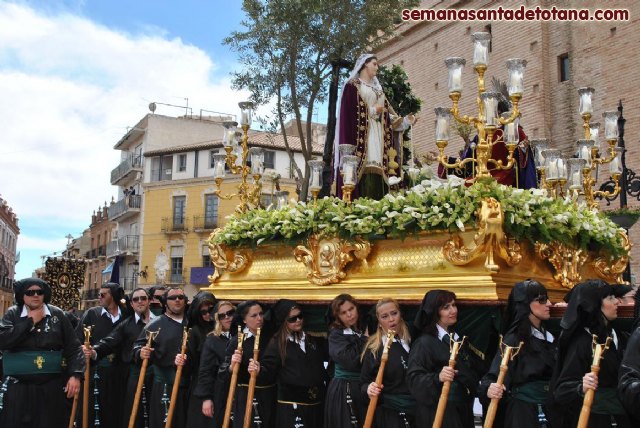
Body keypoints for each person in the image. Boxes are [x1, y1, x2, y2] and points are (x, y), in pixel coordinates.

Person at [0, 278, 84, 428]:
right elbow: (4, 340)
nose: (35, 295)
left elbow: (74, 347)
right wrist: (29, 323)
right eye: (30, 292)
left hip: (50, 387)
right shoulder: (13, 313)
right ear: (22, 295)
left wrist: (75, 375)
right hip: (19, 388)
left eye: (39, 292)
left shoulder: (57, 314)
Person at [333, 53, 416, 200]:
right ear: (365, 64)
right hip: (361, 138)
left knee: (380, 167)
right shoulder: (353, 86)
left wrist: (405, 121)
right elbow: (349, 112)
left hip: (379, 137)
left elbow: (389, 117)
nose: (377, 68)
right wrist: (372, 110)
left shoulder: (379, 90)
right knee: (364, 169)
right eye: (374, 64)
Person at [479, 280, 558, 428]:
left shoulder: (549, 337)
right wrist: (490, 388)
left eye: (547, 299)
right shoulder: (513, 339)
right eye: (541, 300)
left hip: (550, 410)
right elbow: (494, 376)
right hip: (523, 414)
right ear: (525, 304)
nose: (549, 304)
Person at [552, 279, 632, 427]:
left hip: (623, 417)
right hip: (595, 419)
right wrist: (581, 385)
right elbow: (561, 389)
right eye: (610, 298)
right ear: (595, 305)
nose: (617, 302)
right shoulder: (581, 342)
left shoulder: (621, 336)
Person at [407, 290, 478, 428]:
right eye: (446, 307)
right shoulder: (424, 343)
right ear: (435, 312)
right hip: (440, 413)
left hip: (462, 411)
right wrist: (438, 377)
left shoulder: (457, 338)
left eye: (453, 305)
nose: (453, 310)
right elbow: (414, 379)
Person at [89, 287, 156, 428]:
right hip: (133, 377)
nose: (140, 302)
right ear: (131, 304)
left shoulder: (159, 322)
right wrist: (94, 351)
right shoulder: (126, 324)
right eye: (136, 299)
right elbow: (109, 341)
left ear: (149, 300)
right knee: (133, 416)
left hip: (156, 379)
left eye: (143, 298)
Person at [259, 299, 329, 428]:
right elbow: (268, 369)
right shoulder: (277, 343)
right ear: (283, 321)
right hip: (292, 405)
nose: (298, 320)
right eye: (293, 319)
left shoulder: (311, 339)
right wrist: (258, 369)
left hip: (317, 403)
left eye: (300, 316)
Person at [134, 286, 189, 428]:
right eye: (172, 298)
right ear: (165, 303)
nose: (177, 300)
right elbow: (138, 346)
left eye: (180, 297)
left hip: (190, 387)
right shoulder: (155, 325)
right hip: (165, 386)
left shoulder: (192, 324)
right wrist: (141, 352)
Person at [76, 281, 128, 428]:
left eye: (103, 294)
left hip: (120, 371)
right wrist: (83, 349)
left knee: (117, 410)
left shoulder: (126, 315)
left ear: (114, 296)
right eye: (99, 294)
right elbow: (78, 339)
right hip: (96, 372)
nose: (99, 297)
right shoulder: (92, 314)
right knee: (93, 411)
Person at [361, 297, 415, 427]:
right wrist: (369, 388)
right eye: (384, 316)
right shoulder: (375, 348)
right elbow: (364, 382)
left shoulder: (412, 339)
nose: (391, 319)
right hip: (391, 413)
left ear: (400, 314)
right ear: (379, 321)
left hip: (417, 410)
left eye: (394, 313)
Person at [223, 300, 275, 428]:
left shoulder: (270, 337)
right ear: (244, 320)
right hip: (245, 395)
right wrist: (232, 365)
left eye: (261, 314)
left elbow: (276, 364)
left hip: (269, 394)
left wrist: (261, 370)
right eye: (254, 315)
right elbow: (223, 372)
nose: (259, 318)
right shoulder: (237, 341)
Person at [324, 293, 368, 428]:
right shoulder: (336, 335)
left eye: (351, 309)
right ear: (338, 317)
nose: (349, 314)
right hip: (344, 389)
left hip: (361, 387)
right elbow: (349, 361)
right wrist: (364, 340)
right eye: (343, 313)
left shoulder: (360, 329)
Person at [193, 301, 235, 428]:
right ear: (218, 319)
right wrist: (206, 398)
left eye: (230, 313)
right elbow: (206, 370)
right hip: (221, 391)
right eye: (222, 315)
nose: (227, 317)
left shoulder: (245, 335)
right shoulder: (212, 339)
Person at [185, 291, 217, 428]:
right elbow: (191, 365)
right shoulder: (195, 332)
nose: (208, 314)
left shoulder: (225, 327)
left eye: (210, 310)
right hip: (202, 383)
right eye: (203, 312)